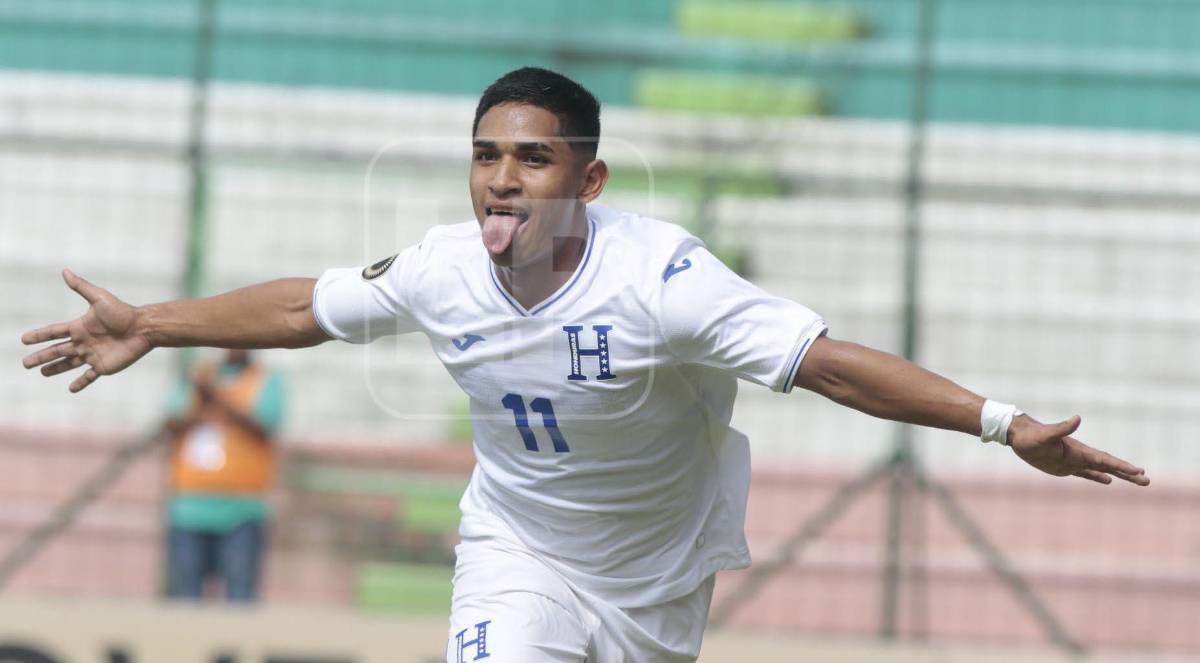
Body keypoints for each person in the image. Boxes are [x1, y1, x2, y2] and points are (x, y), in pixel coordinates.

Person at [21, 67, 1148, 662]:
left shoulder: (666, 285)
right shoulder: (440, 266)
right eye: (484, 157)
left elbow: (831, 367)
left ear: (590, 181)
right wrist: (158, 324)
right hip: (517, 548)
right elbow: (307, 307)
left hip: (658, 578)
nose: (501, 180)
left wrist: (1005, 424)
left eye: (532, 159)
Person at [161, 348, 285, 602]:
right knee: (184, 599)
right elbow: (172, 422)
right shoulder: (196, 377)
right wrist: (203, 400)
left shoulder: (265, 380)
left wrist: (216, 396)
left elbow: (265, 425)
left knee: (240, 599)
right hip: (189, 508)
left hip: (242, 509)